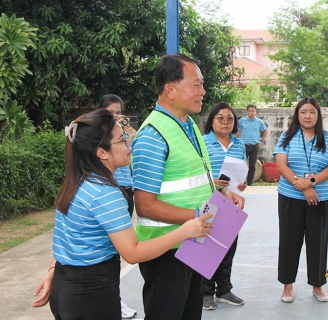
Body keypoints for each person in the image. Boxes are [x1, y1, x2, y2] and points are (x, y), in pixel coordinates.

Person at [32, 108, 213, 319]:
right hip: (91, 295)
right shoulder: (105, 193)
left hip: (65, 284)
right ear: (102, 152)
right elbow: (132, 253)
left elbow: (68, 238)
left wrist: (54, 270)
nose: (130, 143)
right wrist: (185, 231)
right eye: (121, 140)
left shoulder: (78, 182)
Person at [131, 53, 245, 320]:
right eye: (196, 85)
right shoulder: (153, 135)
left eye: (201, 85)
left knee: (190, 313)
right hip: (166, 251)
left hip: (193, 241)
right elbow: (145, 205)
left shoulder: (188, 125)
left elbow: (198, 179)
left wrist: (223, 193)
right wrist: (196, 217)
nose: (202, 91)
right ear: (170, 89)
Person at [273, 97, 328, 303]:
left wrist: (310, 182)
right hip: (290, 197)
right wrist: (302, 187)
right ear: (297, 115)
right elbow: (281, 165)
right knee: (289, 241)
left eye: (312, 112)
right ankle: (287, 286)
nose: (308, 116)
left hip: (320, 199)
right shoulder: (287, 137)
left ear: (318, 115)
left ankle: (317, 285)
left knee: (318, 243)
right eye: (303, 112)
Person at [202, 102, 246, 310]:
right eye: (220, 118)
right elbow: (197, 172)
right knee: (207, 247)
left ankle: (224, 290)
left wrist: (242, 184)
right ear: (211, 121)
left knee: (228, 247)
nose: (225, 122)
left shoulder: (239, 144)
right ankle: (206, 292)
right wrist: (213, 180)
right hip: (208, 200)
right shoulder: (202, 142)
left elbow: (240, 174)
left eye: (229, 118)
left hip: (231, 202)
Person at [97, 94, 137, 318]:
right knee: (111, 248)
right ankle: (114, 301)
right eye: (111, 113)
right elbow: (134, 252)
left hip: (125, 187)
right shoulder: (97, 137)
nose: (116, 116)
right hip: (113, 189)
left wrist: (132, 139)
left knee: (115, 250)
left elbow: (131, 159)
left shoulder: (122, 137)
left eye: (118, 112)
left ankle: (115, 299)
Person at [237, 104, 268, 185]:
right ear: (247, 112)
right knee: (242, 165)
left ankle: (250, 183)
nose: (251, 113)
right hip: (244, 146)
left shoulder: (259, 122)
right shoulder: (242, 121)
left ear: (255, 112)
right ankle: (241, 182)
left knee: (252, 166)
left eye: (253, 111)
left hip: (255, 146)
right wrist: (238, 141)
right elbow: (237, 131)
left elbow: (265, 130)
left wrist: (262, 141)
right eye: (249, 111)